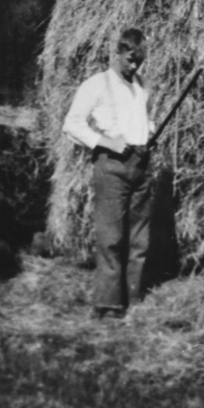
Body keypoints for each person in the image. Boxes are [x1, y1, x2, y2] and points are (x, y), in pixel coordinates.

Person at [63, 28, 153, 318]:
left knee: (139, 240)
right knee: (112, 238)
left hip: (142, 165)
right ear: (118, 52)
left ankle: (134, 301)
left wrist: (149, 133)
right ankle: (108, 304)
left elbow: (143, 120)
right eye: (130, 59)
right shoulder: (96, 85)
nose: (134, 65)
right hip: (111, 166)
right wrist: (107, 142)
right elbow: (73, 124)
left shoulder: (142, 85)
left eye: (138, 60)